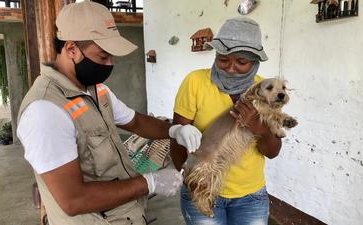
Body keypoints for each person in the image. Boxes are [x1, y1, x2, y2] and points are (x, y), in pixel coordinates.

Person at [17, 1, 202, 225]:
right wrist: (149, 183)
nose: (110, 64)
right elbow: (73, 199)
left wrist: (174, 130)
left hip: (126, 215)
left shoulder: (96, 90)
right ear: (71, 49)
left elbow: (135, 122)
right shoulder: (45, 110)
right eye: (103, 57)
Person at [170, 17, 282, 225]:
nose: (230, 68)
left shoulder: (266, 89)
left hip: (250, 196)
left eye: (241, 62)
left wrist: (257, 126)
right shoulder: (195, 82)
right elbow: (178, 138)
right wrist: (185, 178)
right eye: (223, 59)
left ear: (255, 62)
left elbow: (272, 151)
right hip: (202, 188)